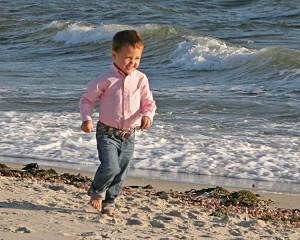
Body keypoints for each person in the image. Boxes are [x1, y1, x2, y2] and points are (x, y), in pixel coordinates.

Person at [79, 30, 156, 214]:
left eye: (137, 58)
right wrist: (86, 119)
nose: (133, 62)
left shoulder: (140, 79)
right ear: (114, 54)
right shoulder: (106, 79)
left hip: (129, 135)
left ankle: (110, 201)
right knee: (110, 166)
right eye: (128, 58)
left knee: (121, 171)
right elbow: (86, 100)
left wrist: (147, 115)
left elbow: (149, 102)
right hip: (107, 132)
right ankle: (97, 192)